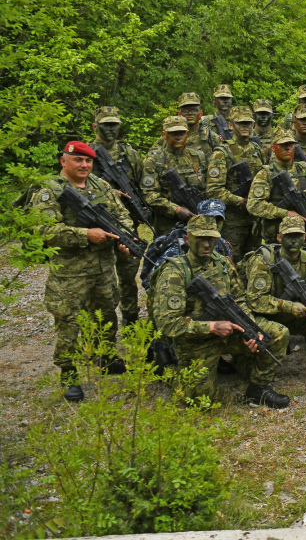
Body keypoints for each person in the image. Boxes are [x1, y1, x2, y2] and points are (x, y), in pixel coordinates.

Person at [30, 141, 134, 402]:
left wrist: (124, 238)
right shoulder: (49, 191)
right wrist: (84, 234)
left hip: (103, 267)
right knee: (69, 321)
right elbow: (43, 230)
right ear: (64, 161)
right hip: (69, 272)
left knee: (107, 312)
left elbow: (123, 216)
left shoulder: (100, 186)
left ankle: (105, 356)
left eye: (88, 161)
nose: (84, 165)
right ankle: (68, 372)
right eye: (78, 160)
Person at [151, 215, 290, 407]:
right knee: (202, 402)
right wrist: (211, 327)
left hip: (229, 330)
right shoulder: (174, 272)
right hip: (195, 340)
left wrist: (250, 328)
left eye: (212, 238)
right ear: (189, 237)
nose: (207, 244)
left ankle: (258, 388)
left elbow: (240, 299)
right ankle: (166, 369)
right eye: (201, 238)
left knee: (277, 334)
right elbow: (167, 324)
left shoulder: (222, 263)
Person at [243, 216, 306, 387]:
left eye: (298, 236)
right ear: (280, 237)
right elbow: (254, 300)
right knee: (245, 369)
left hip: (294, 315)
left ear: (304, 237)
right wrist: (288, 306)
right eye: (289, 236)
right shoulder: (265, 260)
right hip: (264, 317)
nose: (294, 240)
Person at [90, 105, 144, 326]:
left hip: (125, 223)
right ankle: (100, 328)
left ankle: (130, 322)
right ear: (95, 126)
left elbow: (140, 185)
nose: (111, 130)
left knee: (128, 275)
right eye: (106, 125)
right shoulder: (85, 154)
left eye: (114, 125)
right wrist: (107, 192)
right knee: (99, 279)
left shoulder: (129, 154)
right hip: (96, 223)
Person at [247, 128, 306, 246]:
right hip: (276, 241)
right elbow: (254, 205)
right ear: (274, 148)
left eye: (291, 145)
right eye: (283, 145)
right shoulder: (266, 174)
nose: (287, 148)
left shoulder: (305, 170)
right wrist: (285, 213)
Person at [206, 105, 266, 255]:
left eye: (248, 123)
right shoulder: (222, 153)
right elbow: (213, 190)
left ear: (253, 125)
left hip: (255, 221)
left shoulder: (257, 151)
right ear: (231, 126)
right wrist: (239, 201)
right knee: (232, 262)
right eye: (240, 123)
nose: (245, 126)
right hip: (233, 223)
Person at [143, 115, 207, 236]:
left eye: (181, 133)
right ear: (164, 134)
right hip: (167, 227)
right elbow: (149, 194)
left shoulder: (198, 156)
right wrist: (175, 210)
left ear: (187, 134)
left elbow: (208, 187)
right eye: (173, 133)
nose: (178, 137)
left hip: (197, 223)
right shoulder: (154, 160)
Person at [176, 92, 218, 157]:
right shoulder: (171, 135)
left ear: (200, 113)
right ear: (179, 114)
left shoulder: (210, 136)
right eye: (185, 110)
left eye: (194, 110)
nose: (189, 113)